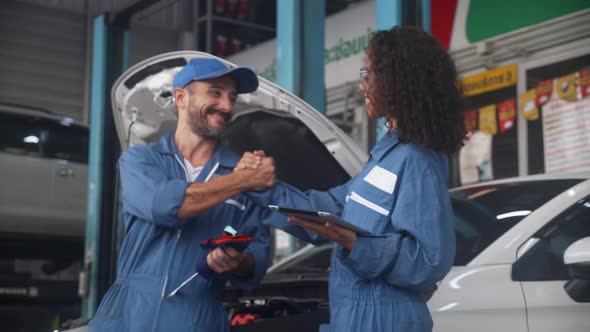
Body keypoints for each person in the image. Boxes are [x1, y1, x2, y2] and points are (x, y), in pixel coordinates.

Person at [238, 26, 466, 331]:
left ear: (397, 80)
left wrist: (355, 243)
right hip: (355, 315)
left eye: (369, 74)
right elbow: (334, 206)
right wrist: (263, 189)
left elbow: (428, 261)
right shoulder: (386, 154)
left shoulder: (417, 159)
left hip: (385, 318)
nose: (362, 86)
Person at [89, 57, 277, 332]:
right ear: (180, 97)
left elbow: (257, 257)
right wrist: (241, 180)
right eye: (215, 92)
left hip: (197, 318)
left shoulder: (243, 174)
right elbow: (164, 207)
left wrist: (237, 261)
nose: (227, 106)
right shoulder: (141, 160)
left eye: (232, 97)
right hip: (127, 315)